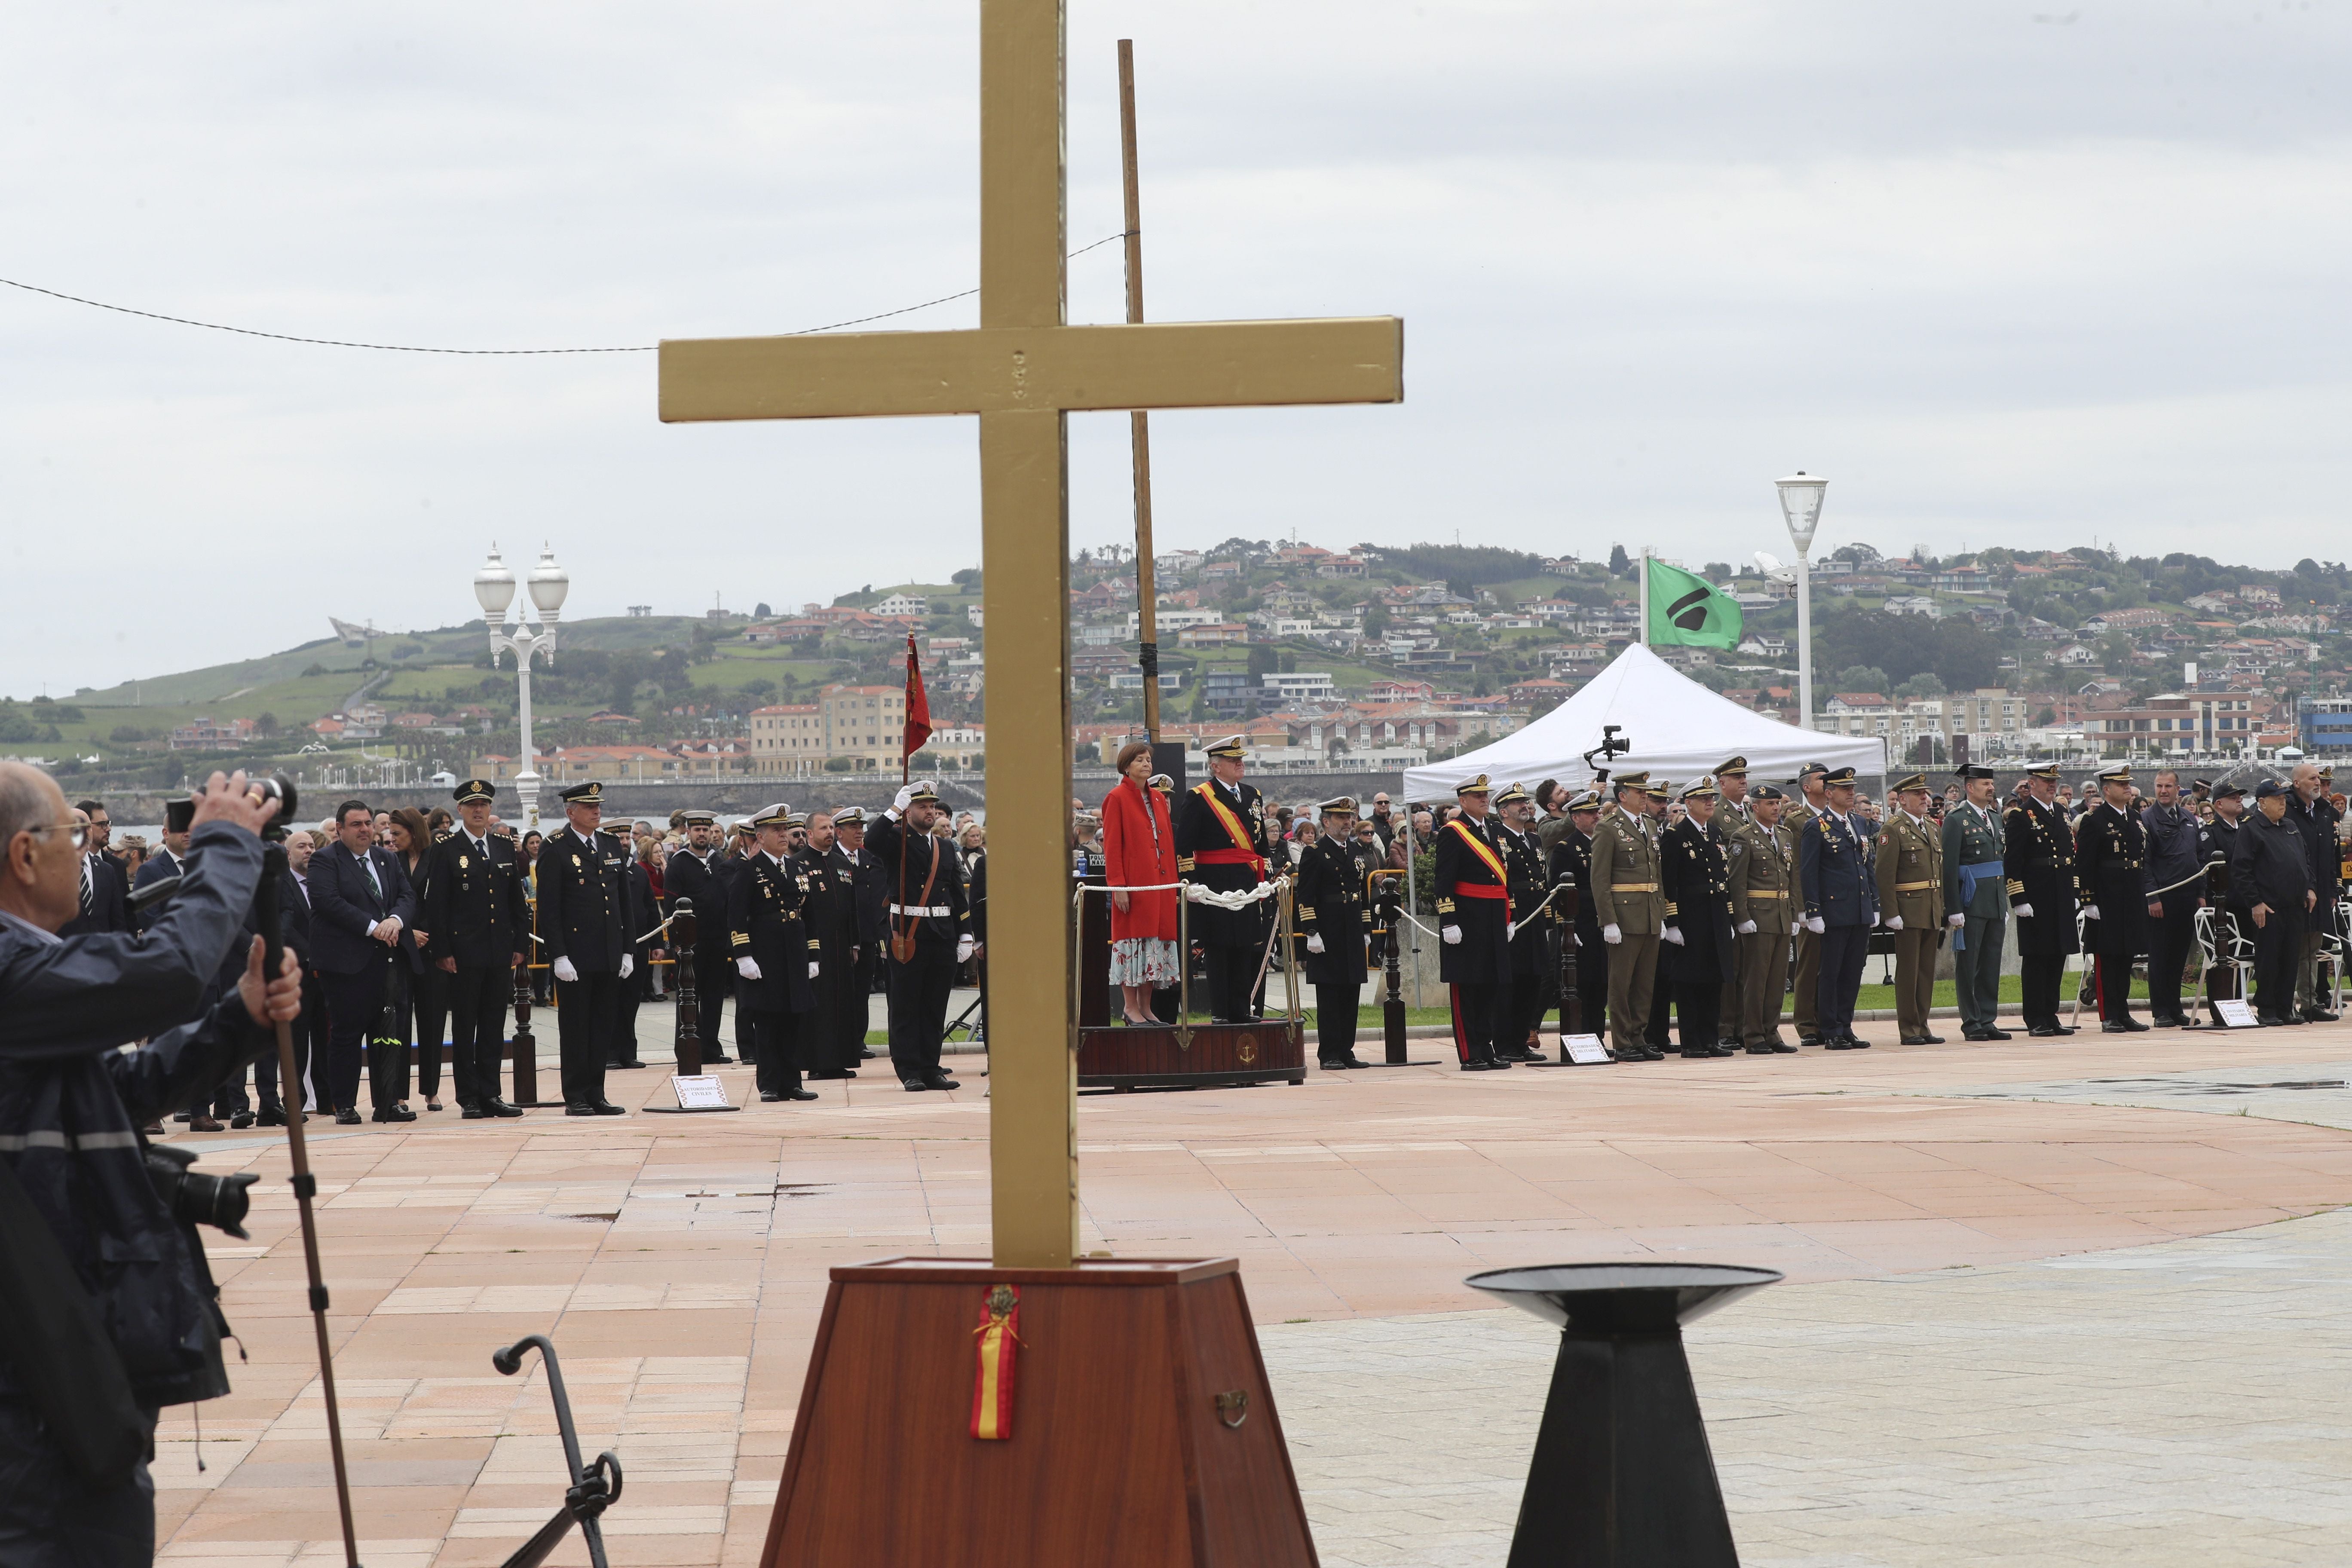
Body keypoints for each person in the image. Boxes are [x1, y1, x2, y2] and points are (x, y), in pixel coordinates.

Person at [0, 764, 303, 1562]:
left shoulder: (30, 968)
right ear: (26, 856)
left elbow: (117, 1091)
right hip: (29, 1374)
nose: (81, 848)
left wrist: (236, 1017)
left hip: (65, 1354)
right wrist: (228, 846)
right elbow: (167, 970)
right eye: (71, 833)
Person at [418, 781, 529, 1118]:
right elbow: (437, 904)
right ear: (460, 811)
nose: (479, 810)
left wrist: (520, 944)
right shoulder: (446, 848)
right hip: (464, 953)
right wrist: (442, 950)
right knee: (466, 1025)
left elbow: (515, 902)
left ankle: (491, 1093)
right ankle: (468, 1096)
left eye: (484, 804)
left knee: (494, 1024)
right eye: (472, 805)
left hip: (499, 950)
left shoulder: (502, 846)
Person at [306, 799, 417, 1124]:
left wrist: (395, 920)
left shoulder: (387, 859)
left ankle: (388, 1102)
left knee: (389, 1034)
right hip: (346, 965)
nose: (366, 830)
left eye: (369, 823)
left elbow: (407, 896)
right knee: (347, 1036)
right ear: (339, 829)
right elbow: (328, 902)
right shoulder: (325, 861)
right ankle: (344, 1105)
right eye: (357, 824)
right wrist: (374, 928)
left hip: (388, 963)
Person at [534, 781, 631, 1116]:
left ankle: (597, 1093)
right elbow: (549, 909)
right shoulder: (555, 847)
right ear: (570, 811)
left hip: (608, 952)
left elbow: (623, 904)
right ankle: (575, 1094)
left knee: (602, 1026)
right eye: (589, 807)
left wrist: (628, 950)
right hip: (575, 955)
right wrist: (558, 955)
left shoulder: (609, 844)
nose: (596, 811)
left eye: (598, 806)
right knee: (576, 1027)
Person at [872, 780, 973, 1091]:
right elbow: (871, 841)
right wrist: (893, 809)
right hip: (909, 933)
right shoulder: (896, 840)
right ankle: (909, 1069)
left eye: (932, 807)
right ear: (909, 811)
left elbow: (956, 891)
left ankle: (931, 1067)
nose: (929, 812)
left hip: (942, 934)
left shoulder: (944, 846)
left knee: (934, 1006)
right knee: (906, 1005)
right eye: (921, 807)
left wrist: (966, 933)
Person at [1175, 735, 1277, 1023]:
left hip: (1247, 880)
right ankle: (1220, 1011)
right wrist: (1190, 881)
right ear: (1216, 766)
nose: (1240, 763)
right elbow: (1184, 844)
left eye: (1241, 759)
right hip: (1215, 882)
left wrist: (1266, 878)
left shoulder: (1252, 794)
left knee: (1246, 945)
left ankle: (1241, 1009)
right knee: (1219, 947)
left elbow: (1260, 846)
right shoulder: (1199, 797)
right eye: (1234, 761)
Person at [728, 804, 821, 1102]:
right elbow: (736, 915)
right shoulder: (749, 868)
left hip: (794, 953)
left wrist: (814, 955)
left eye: (785, 830)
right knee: (768, 1023)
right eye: (777, 831)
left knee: (793, 1020)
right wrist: (744, 956)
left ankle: (792, 1082)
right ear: (760, 836)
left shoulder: (795, 867)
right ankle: (769, 1083)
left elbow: (811, 915)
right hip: (765, 954)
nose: (784, 835)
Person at [1433, 775, 1513, 1071]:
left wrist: (1510, 916)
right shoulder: (1453, 833)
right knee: (1468, 988)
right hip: (1467, 920)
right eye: (1477, 795)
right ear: (1463, 801)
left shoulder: (1494, 830)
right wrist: (1449, 920)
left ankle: (1487, 1046)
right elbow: (1443, 882)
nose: (1484, 799)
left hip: (1493, 918)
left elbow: (1506, 878)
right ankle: (1470, 1053)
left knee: (1490, 987)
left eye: (1486, 794)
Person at [1798, 766, 1879, 1050]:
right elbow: (1808, 873)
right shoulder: (1816, 826)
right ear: (1829, 793)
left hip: (1859, 907)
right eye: (1845, 789)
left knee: (1853, 971)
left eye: (1852, 788)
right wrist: (1813, 911)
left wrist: (1874, 903)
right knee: (1831, 972)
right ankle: (1830, 1028)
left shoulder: (1859, 823)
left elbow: (1867, 864)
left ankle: (1846, 1026)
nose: (1851, 793)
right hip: (1834, 911)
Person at [1100, 741, 1181, 1026]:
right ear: (1126, 766)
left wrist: (1172, 886)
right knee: (1133, 944)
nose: (1146, 765)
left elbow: (1167, 844)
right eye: (1140, 760)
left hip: (1159, 886)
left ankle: (1146, 1008)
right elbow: (1112, 846)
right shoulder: (1117, 797)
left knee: (1154, 946)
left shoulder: (1159, 798)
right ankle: (1130, 1007)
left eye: (1148, 760)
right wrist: (1119, 885)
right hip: (1135, 886)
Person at [1589, 772, 1664, 1062]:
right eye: (1638, 792)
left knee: (1645, 983)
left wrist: (1661, 913)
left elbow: (1657, 873)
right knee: (1621, 983)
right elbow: (1600, 878)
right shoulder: (1608, 828)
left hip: (1648, 913)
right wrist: (1608, 920)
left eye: (1646, 791)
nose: (1645, 796)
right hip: (1624, 914)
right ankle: (1622, 1040)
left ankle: (1638, 1036)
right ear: (1622, 796)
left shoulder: (1650, 825)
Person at [1660, 779, 1736, 1058]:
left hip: (1714, 915)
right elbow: (1669, 881)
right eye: (1702, 798)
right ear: (1688, 803)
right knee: (1690, 981)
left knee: (1713, 979)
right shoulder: (1676, 836)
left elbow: (1723, 879)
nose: (1709, 802)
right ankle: (1691, 1041)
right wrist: (1673, 923)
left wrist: (1728, 918)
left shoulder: (1714, 833)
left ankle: (1710, 1038)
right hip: (1691, 917)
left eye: (1711, 797)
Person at [1295, 796, 1372, 1069]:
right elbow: (1305, 896)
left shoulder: (1356, 851)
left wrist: (1365, 928)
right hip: (1328, 931)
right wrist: (1311, 932)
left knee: (1351, 993)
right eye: (1341, 818)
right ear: (1326, 822)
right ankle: (1329, 1053)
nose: (1348, 822)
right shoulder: (1315, 852)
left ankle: (1346, 1050)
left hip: (1351, 928)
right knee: (1330, 995)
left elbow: (1362, 893)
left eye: (1350, 817)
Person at [2004, 763, 2080, 1038]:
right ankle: (2035, 1017)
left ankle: (2051, 1014)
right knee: (2037, 959)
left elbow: (2070, 855)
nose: (2052, 785)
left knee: (2057, 956)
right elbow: (2013, 861)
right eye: (2045, 780)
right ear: (2031, 784)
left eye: (2054, 781)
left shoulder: (2060, 812)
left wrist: (2073, 891)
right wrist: (2019, 897)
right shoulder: (2021, 816)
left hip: (2060, 891)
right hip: (2036, 895)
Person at [2074, 766, 2150, 1033]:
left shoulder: (2136, 818)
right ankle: (2109, 1015)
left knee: (2126, 957)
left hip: (2131, 895)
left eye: (2128, 784)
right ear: (2107, 790)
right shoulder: (2094, 821)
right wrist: (2088, 900)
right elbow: (2084, 864)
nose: (2127, 788)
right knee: (2107, 959)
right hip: (2106, 898)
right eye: (2121, 784)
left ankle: (2124, 1011)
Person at [2233, 778, 2313, 1025]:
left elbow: (2304, 860)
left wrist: (2310, 888)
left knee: (2290, 958)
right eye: (2277, 799)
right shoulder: (2251, 829)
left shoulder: (2290, 826)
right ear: (2262, 803)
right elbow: (2241, 869)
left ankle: (2285, 1007)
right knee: (2269, 960)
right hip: (2269, 907)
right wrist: (2255, 902)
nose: (2282, 803)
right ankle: (2267, 1009)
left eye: (2284, 799)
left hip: (2295, 905)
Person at [1875, 773, 1946, 1045]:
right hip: (1907, 909)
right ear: (1902, 799)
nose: (1925, 799)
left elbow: (1939, 871)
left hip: (1930, 907)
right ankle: (1909, 1028)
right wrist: (1891, 913)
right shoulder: (1893, 829)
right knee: (1908, 971)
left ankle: (1923, 1024)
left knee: (1926, 971)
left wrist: (1943, 907)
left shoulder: (1932, 826)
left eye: (1925, 794)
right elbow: (1884, 874)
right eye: (1918, 795)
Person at [1941, 764, 2010, 1041]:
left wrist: (2002, 901)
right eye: (1984, 784)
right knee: (1968, 965)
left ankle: (1987, 1018)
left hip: (1994, 900)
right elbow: (1949, 868)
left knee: (1991, 963)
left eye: (1991, 784)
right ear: (1970, 788)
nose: (1991, 788)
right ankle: (1971, 1022)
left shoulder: (1995, 817)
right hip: (1970, 902)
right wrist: (1954, 908)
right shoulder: (1957, 820)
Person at [384, 808, 447, 1109]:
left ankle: (431, 1089)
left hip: (433, 952)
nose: (391, 839)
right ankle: (398, 1091)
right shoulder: (389, 862)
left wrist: (431, 936)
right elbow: (388, 905)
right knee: (399, 1024)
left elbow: (446, 905)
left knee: (432, 1022)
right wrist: (409, 933)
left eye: (397, 833)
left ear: (414, 831)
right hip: (400, 950)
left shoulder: (439, 857)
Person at [259, 827, 322, 1125]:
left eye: (311, 845)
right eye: (301, 847)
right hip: (298, 968)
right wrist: (310, 952)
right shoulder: (282, 882)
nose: (309, 850)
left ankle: (326, 1097)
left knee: (324, 1037)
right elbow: (286, 924)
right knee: (295, 1040)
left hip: (327, 970)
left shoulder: (322, 881)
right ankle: (293, 1099)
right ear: (288, 853)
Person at [664, 811, 736, 1066]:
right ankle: (687, 1048)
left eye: (706, 830)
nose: (703, 834)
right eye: (697, 830)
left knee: (715, 996)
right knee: (689, 997)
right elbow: (671, 906)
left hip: (717, 940)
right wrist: (676, 943)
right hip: (690, 945)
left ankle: (711, 1048)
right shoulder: (678, 862)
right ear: (688, 833)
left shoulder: (720, 860)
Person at [1729, 784, 1798, 1053]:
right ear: (1755, 808)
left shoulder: (1785, 835)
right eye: (1769, 804)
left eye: (1778, 803)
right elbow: (1737, 881)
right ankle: (1754, 1034)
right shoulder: (1743, 837)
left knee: (1778, 979)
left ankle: (1772, 1031)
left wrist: (1795, 912)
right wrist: (1742, 916)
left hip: (1781, 913)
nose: (1776, 808)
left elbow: (1793, 877)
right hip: (1759, 915)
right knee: (1756, 979)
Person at [797, 810, 864, 1080]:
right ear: (810, 833)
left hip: (842, 945)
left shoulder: (841, 863)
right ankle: (818, 1062)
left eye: (831, 827)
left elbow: (853, 907)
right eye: (823, 828)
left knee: (843, 1002)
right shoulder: (799, 864)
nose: (829, 832)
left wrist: (855, 943)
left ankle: (840, 1059)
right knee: (820, 1004)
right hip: (817, 945)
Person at [2140, 769, 2204, 1030]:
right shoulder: (2146, 820)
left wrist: (2201, 894)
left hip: (2187, 897)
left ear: (2179, 790)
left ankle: (2176, 1007)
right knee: (2160, 956)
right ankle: (2161, 1010)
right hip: (2162, 899)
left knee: (2179, 955)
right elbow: (2145, 864)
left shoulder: (2189, 818)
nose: (2163, 791)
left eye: (2168, 786)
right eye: (2159, 786)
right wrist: (2152, 897)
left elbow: (2199, 858)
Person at [1491, 782, 1549, 1061]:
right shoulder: (1497, 838)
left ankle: (1521, 1040)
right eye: (1518, 803)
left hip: (1535, 916)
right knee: (1510, 984)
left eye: (1525, 802)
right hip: (1514, 918)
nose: (1525, 806)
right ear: (1504, 811)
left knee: (1532, 981)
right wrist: (1508, 917)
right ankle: (1504, 1045)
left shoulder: (1534, 839)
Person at [1547, 789, 1608, 1042]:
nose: (1596, 817)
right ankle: (1582, 1037)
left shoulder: (1605, 842)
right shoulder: (1566, 849)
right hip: (1580, 925)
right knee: (1582, 983)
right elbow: (1560, 893)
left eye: (1597, 812)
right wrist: (1566, 927)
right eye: (1589, 813)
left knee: (1602, 983)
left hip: (1604, 922)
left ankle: (1598, 1037)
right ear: (1575, 817)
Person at [2289, 762, 2343, 1021]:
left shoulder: (2323, 812)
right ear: (2297, 783)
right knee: (2292, 950)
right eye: (2313, 779)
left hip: (2321, 892)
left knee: (2312, 949)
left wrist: (2332, 888)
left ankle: (2310, 1003)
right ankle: (2286, 1003)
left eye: (2320, 781)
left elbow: (2330, 855)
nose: (2318, 784)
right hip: (2296, 893)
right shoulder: (2288, 810)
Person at [832, 807, 888, 1056]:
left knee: (862, 991)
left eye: (861, 827)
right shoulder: (831, 858)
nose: (860, 832)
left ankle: (858, 1040)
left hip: (867, 938)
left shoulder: (870, 859)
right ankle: (840, 1042)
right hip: (841, 939)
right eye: (854, 828)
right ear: (839, 833)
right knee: (840, 993)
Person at [1784, 763, 1829, 1044]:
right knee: (1810, 964)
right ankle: (1807, 1025)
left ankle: (1829, 1019)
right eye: (1822, 779)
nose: (1828, 783)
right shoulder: (1797, 821)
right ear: (1807, 787)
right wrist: (1802, 908)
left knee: (1832, 965)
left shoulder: (1837, 817)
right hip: (1812, 904)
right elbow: (1796, 867)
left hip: (1836, 902)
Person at [1710, 757, 1753, 1048]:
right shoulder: (1717, 814)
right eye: (1736, 777)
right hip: (1729, 898)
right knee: (1732, 969)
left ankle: (1741, 1026)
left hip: (1753, 898)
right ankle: (1725, 1028)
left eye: (1744, 776)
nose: (1743, 780)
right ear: (1722, 783)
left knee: (1748, 970)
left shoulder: (1749, 811)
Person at [57, 805, 128, 937]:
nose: (84, 832)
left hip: (104, 953)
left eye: (88, 827)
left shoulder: (107, 871)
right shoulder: (53, 871)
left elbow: (118, 921)